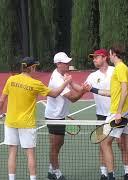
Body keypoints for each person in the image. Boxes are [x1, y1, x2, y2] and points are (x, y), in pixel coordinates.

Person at [0, 57, 72, 180]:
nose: (36, 69)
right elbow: (55, 93)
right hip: (27, 124)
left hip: (11, 122)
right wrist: (66, 82)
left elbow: (1, 100)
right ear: (31, 68)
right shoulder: (35, 84)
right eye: (35, 67)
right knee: (30, 154)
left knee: (12, 152)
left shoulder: (11, 79)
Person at [84, 44, 128, 180]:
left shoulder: (119, 68)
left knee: (104, 142)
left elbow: (124, 91)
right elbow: (113, 93)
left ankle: (111, 176)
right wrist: (93, 90)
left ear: (112, 54)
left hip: (118, 112)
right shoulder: (124, 68)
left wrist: (118, 112)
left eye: (110, 54)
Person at [45, 52, 86, 180]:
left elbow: (76, 88)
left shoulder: (63, 74)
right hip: (54, 117)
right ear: (58, 64)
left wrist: (84, 88)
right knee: (55, 146)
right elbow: (73, 98)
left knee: (59, 144)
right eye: (65, 63)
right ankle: (56, 173)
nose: (68, 64)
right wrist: (84, 91)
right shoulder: (57, 79)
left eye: (68, 62)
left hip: (60, 116)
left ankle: (51, 169)